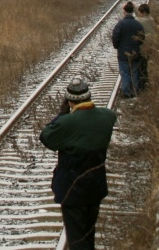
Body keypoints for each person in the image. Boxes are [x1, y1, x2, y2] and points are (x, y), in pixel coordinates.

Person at [40, 77, 117, 250]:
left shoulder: (66, 122)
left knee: (76, 238)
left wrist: (62, 114)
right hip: (96, 186)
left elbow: (46, 136)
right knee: (89, 233)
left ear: (69, 101)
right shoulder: (107, 116)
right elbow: (111, 116)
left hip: (72, 188)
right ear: (88, 97)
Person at [111, 0, 145, 98]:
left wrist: (117, 46)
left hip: (123, 53)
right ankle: (135, 90)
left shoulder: (120, 24)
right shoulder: (138, 24)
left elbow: (115, 37)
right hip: (136, 52)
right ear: (133, 11)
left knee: (125, 72)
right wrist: (137, 45)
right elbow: (142, 38)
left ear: (124, 12)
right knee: (134, 71)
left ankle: (126, 92)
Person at [135, 3, 156, 90]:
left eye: (139, 12)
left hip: (143, 46)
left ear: (143, 12)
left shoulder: (141, 21)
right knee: (145, 64)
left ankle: (143, 84)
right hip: (150, 45)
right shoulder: (151, 19)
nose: (138, 14)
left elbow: (135, 20)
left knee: (141, 66)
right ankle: (145, 83)